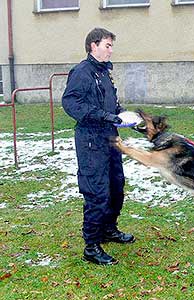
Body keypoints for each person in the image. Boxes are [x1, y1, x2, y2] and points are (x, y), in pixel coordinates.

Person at [62, 27, 135, 265]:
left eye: (112, 46)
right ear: (93, 45)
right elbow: (71, 103)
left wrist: (124, 117)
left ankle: (108, 229)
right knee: (97, 192)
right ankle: (91, 246)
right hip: (91, 140)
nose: (111, 50)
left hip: (110, 139)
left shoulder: (104, 73)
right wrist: (104, 116)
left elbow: (111, 105)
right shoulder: (82, 72)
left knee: (116, 187)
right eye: (107, 45)